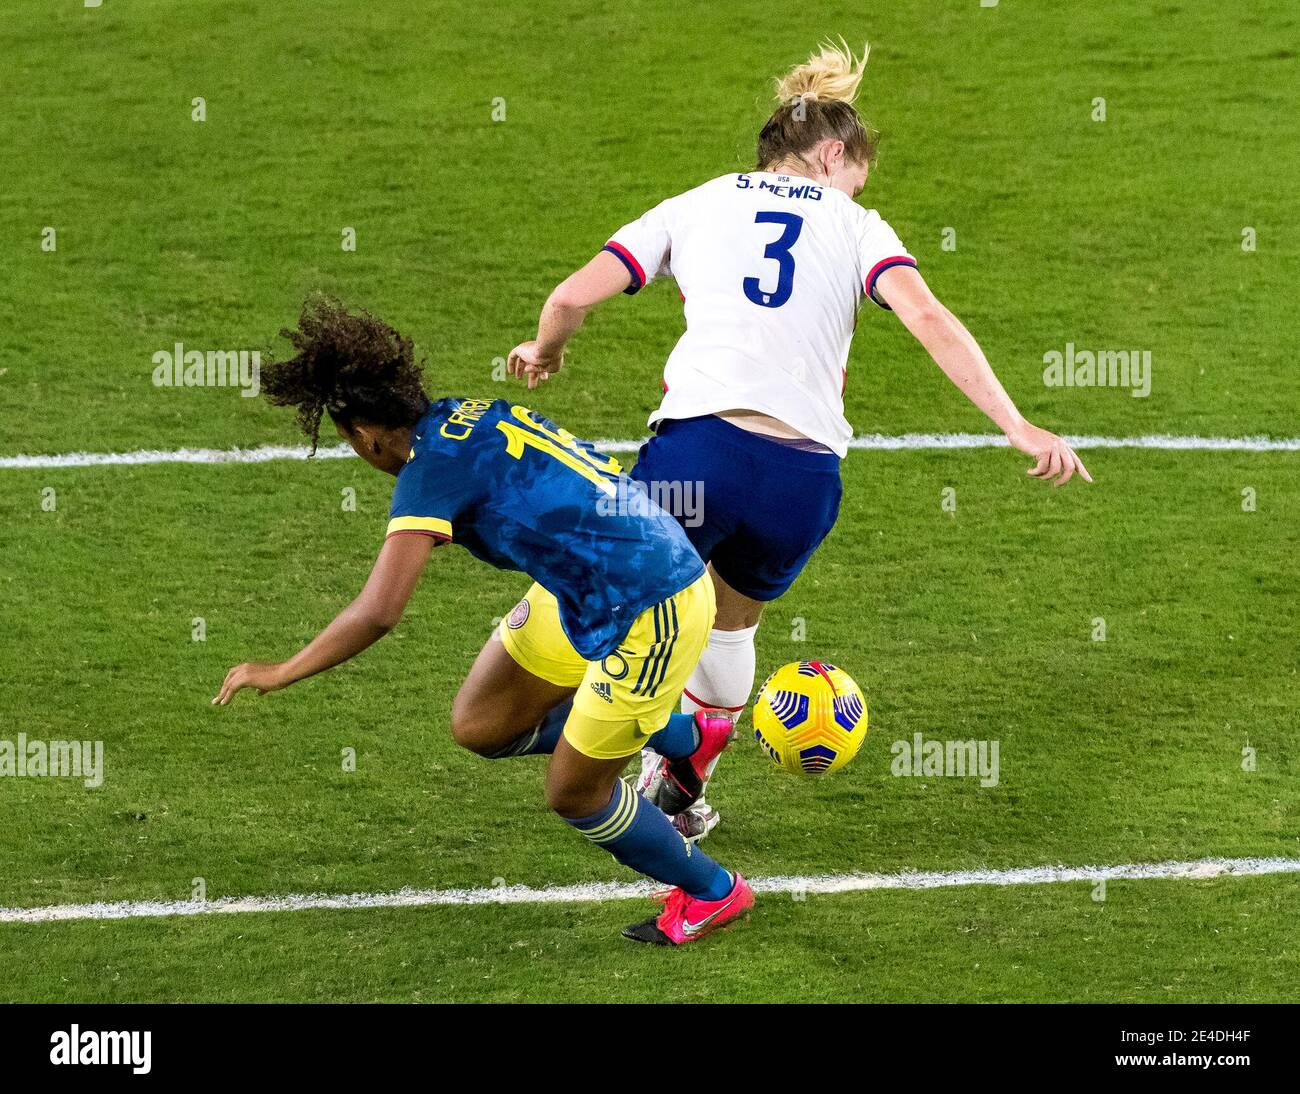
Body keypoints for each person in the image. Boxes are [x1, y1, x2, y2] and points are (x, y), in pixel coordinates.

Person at [508, 38, 1092, 840]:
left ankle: (559, 725)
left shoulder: (695, 203)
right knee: (728, 624)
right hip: (804, 480)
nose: (858, 188)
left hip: (699, 458)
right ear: (830, 154)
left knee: (609, 597)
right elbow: (927, 316)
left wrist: (547, 350)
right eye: (858, 173)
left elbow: (570, 296)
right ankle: (688, 782)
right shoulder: (857, 226)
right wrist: (1017, 423)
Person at [212, 297, 753, 945]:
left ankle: (714, 892)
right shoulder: (462, 414)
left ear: (365, 434)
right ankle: (688, 737)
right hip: (585, 580)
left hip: (653, 604)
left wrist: (281, 670)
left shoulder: (426, 475)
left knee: (574, 793)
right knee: (483, 724)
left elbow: (379, 610)